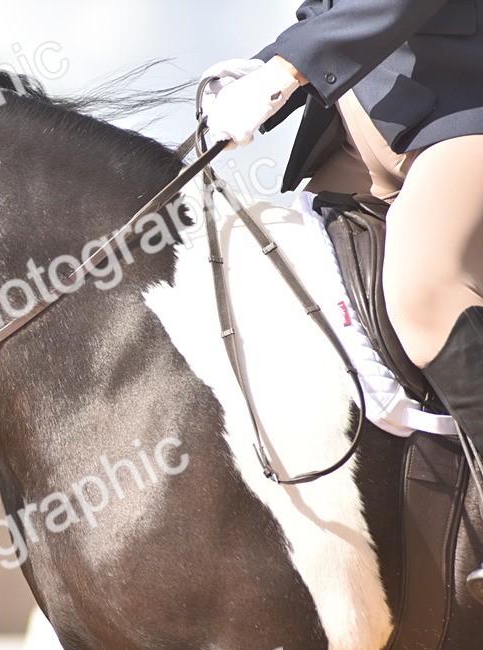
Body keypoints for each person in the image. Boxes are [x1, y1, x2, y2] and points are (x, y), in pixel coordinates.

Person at [201, 0, 483, 601]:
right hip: (366, 131)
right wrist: (257, 73)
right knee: (268, 272)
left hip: (467, 110)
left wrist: (285, 71)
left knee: (425, 286)